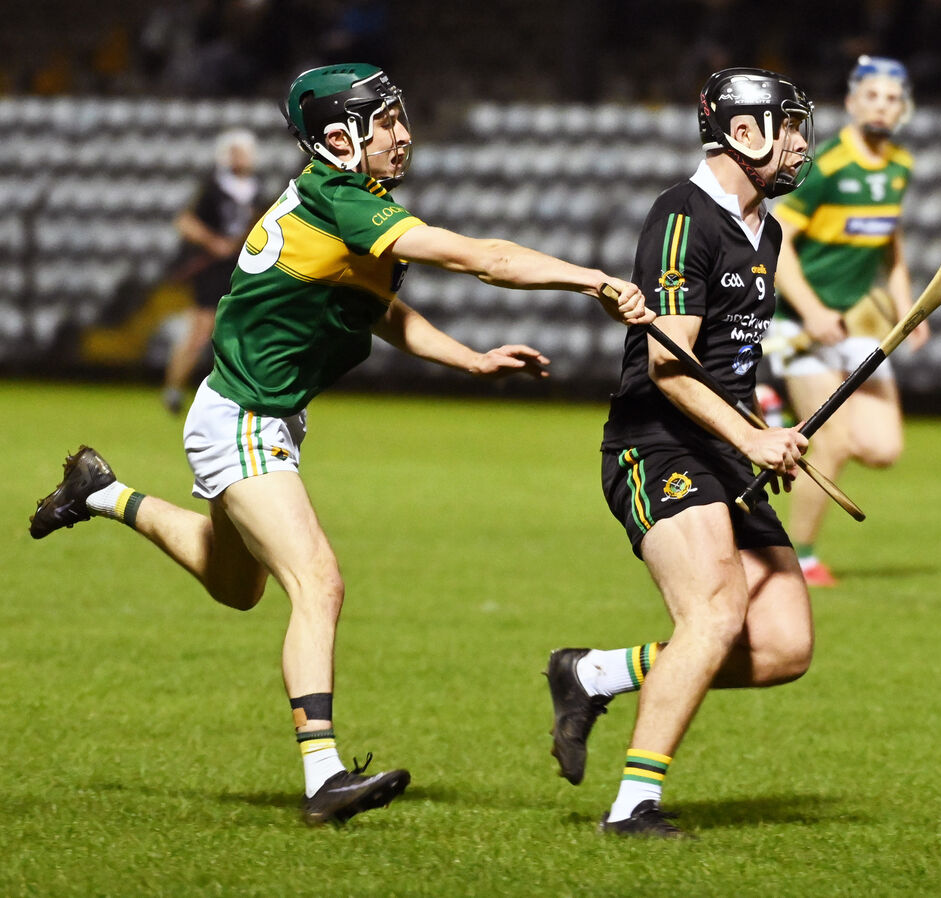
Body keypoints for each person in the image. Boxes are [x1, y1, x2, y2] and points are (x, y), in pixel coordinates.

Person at [29, 62, 652, 827]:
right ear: (338, 137)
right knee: (317, 583)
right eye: (385, 121)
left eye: (400, 117)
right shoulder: (339, 202)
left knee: (237, 586)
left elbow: (379, 308)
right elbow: (481, 258)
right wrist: (591, 279)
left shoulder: (350, 204)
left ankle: (100, 491)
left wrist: (473, 358)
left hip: (259, 414)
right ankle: (322, 776)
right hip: (245, 417)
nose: (403, 134)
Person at [545, 67, 815, 839]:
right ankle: (634, 808)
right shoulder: (681, 216)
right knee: (717, 610)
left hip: (724, 445)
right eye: (786, 125)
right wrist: (749, 434)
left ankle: (595, 672)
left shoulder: (769, 228)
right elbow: (670, 368)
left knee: (788, 646)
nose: (799, 143)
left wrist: (769, 435)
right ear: (742, 130)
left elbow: (735, 369)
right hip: (655, 439)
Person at [763, 55, 927, 587]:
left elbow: (891, 251)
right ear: (853, 103)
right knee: (831, 443)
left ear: (903, 108)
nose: (882, 106)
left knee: (882, 448)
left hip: (857, 326)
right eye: (872, 96)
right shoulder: (827, 166)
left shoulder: (900, 166)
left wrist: (907, 312)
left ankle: (769, 405)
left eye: (891, 98)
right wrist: (812, 310)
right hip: (798, 323)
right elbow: (778, 240)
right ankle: (801, 557)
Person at [162, 129, 262, 415]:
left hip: (242, 267)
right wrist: (213, 242)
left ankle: (240, 393)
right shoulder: (213, 187)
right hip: (212, 268)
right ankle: (174, 387)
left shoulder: (256, 188)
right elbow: (185, 222)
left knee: (244, 330)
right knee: (201, 330)